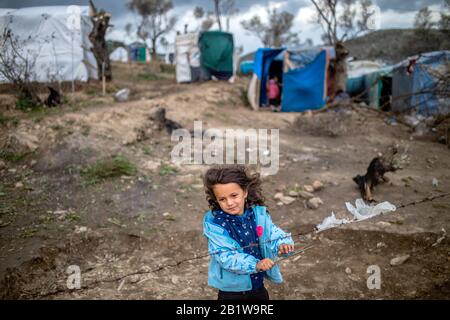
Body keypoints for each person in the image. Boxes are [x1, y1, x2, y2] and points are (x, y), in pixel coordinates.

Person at [202, 165, 294, 300]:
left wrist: (282, 243)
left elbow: (271, 233)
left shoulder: (257, 214)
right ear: (216, 199)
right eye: (222, 199)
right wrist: (256, 264)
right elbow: (225, 257)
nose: (229, 202)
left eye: (234, 195)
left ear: (245, 192)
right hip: (231, 291)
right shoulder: (216, 225)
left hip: (257, 285)